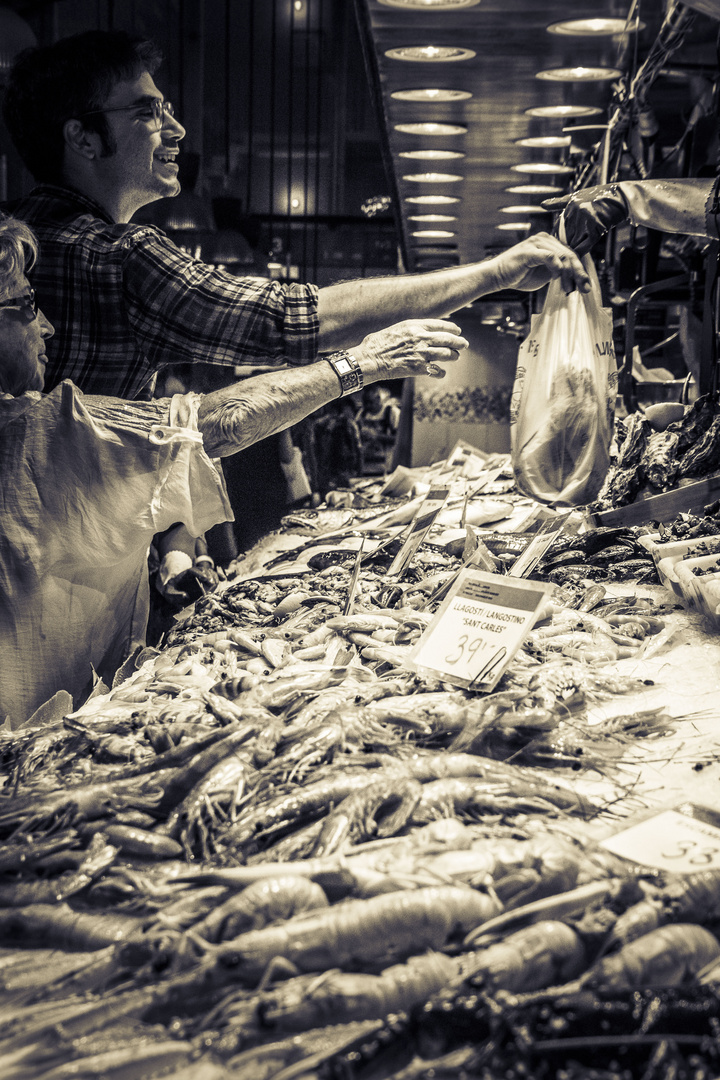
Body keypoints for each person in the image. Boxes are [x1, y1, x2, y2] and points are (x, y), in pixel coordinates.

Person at [0, 213, 467, 726]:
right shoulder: (33, 425)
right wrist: (363, 361)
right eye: (26, 305)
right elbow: (214, 424)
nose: (46, 325)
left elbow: (145, 489)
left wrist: (175, 558)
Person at [2, 29, 592, 405]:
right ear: (81, 137)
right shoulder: (119, 256)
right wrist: (494, 273)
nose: (177, 130)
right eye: (149, 112)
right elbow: (291, 322)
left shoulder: (20, 238)